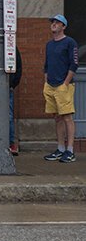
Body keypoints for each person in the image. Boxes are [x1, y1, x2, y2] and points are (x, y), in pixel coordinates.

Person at [42, 14, 79, 163]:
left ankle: (70, 150)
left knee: (67, 117)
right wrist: (46, 81)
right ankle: (60, 149)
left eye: (57, 23)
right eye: (53, 22)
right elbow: (46, 65)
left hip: (64, 86)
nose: (54, 24)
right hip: (50, 85)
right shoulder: (49, 44)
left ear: (63, 26)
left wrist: (65, 83)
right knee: (57, 118)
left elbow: (74, 64)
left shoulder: (70, 42)